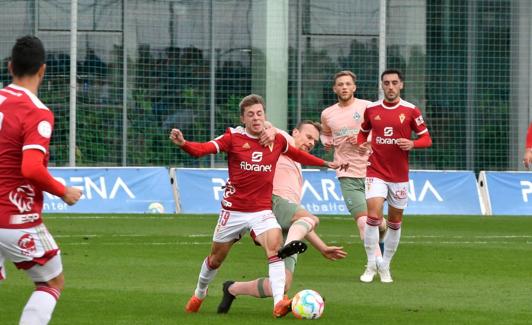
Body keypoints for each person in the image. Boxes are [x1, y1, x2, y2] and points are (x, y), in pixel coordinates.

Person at [169, 94, 348, 318]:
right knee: (215, 259)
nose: (256, 118)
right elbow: (202, 149)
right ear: (243, 119)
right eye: (251, 114)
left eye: (260, 113)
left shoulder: (277, 141)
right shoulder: (232, 138)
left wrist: (326, 163)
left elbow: (299, 155)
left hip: (261, 211)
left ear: (265, 116)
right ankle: (199, 293)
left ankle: (279, 303)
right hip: (233, 211)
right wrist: (184, 144)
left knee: (274, 248)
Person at [216, 121, 347, 314]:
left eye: (315, 141)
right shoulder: (284, 141)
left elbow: (299, 222)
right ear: (295, 132)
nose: (311, 143)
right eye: (308, 137)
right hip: (272, 202)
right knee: (312, 218)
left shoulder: (297, 163)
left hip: (286, 218)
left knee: (282, 284)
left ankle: (232, 288)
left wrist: (323, 248)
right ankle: (289, 245)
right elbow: (268, 126)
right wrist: (268, 129)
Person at [0, 36, 82, 325]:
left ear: (10, 67)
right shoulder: (36, 111)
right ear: (43, 70)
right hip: (13, 217)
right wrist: (64, 192)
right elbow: (32, 169)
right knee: (51, 282)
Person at [356, 69, 432, 283]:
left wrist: (412, 143)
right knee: (373, 215)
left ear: (401, 85)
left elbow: (427, 139)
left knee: (395, 221)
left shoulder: (410, 111)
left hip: (398, 175)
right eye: (386, 83)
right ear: (382, 85)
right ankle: (370, 264)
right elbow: (362, 132)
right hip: (375, 170)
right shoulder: (371, 109)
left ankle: (385, 265)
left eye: (394, 83)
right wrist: (362, 144)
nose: (390, 86)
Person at [320, 70, 386, 261]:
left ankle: (383, 228)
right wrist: (326, 141)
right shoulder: (328, 113)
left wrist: (363, 139)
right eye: (340, 84)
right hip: (346, 173)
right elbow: (325, 133)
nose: (344, 87)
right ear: (335, 89)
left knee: (377, 224)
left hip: (372, 171)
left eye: (348, 84)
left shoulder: (367, 107)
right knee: (363, 222)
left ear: (354, 87)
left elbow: (381, 132)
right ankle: (376, 264)